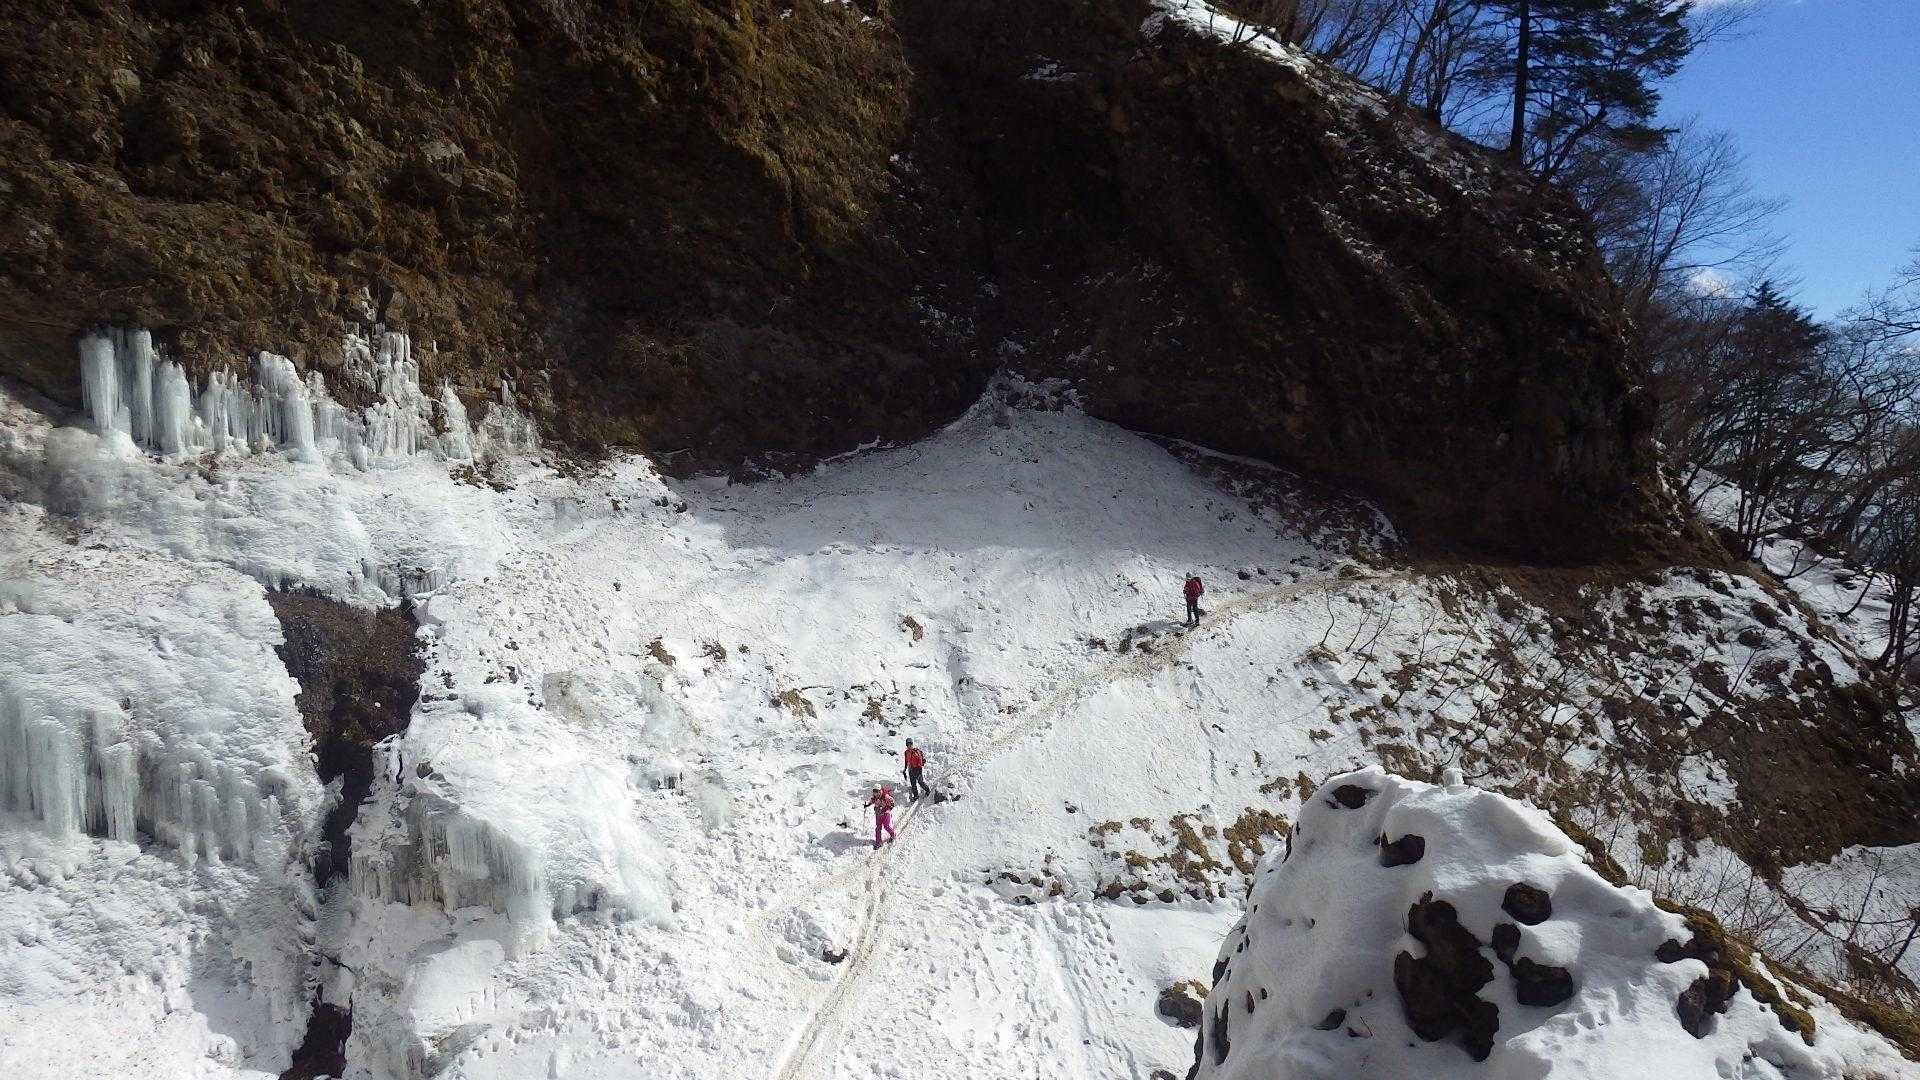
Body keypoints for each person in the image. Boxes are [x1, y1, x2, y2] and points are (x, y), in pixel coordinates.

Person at [867, 785, 897, 849]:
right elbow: (872, 801)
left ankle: (893, 834)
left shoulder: (885, 796)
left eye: (876, 791)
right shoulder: (875, 797)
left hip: (886, 814)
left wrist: (890, 807)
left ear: (879, 791)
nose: (875, 793)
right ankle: (878, 842)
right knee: (878, 828)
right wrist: (867, 805)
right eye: (874, 791)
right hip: (878, 814)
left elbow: (892, 800)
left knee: (886, 826)